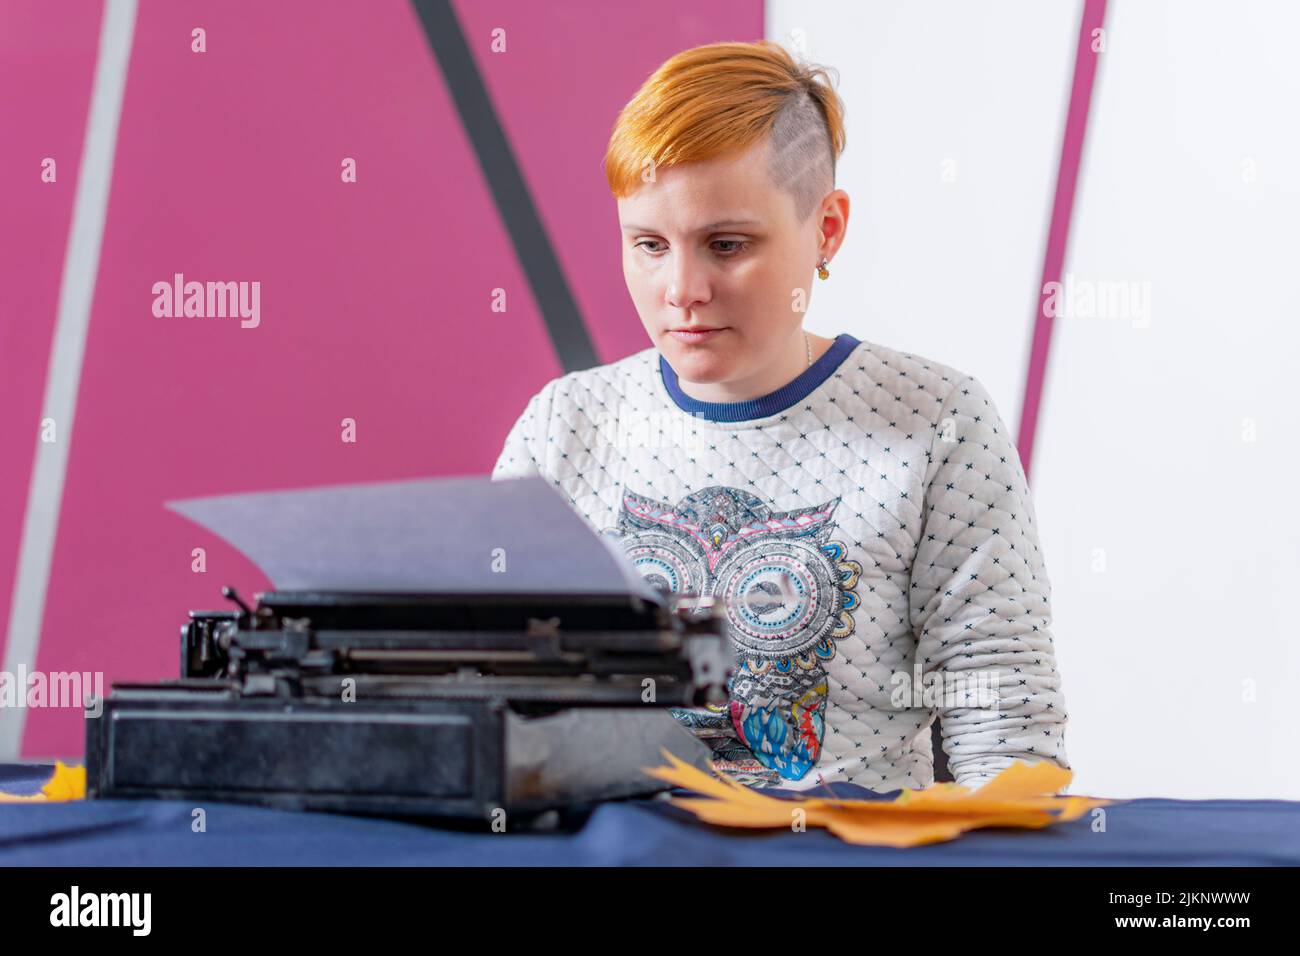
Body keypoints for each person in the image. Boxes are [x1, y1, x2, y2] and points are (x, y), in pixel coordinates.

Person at [492, 39, 1070, 793]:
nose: (683, 288)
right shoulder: (565, 424)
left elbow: (1005, 726)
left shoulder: (935, 422)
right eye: (649, 245)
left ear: (826, 228)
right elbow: (485, 692)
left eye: (726, 245)